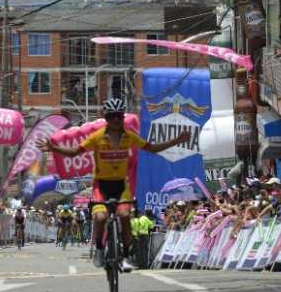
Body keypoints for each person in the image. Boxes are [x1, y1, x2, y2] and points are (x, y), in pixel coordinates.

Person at [36, 98, 190, 271]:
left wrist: (177, 140)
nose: (116, 120)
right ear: (106, 118)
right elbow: (73, 153)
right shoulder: (97, 137)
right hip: (101, 186)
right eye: (112, 116)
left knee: (124, 216)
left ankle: (126, 255)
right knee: (101, 218)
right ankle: (100, 250)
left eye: (119, 116)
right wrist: (53, 149)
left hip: (121, 186)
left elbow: (152, 148)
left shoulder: (129, 136)